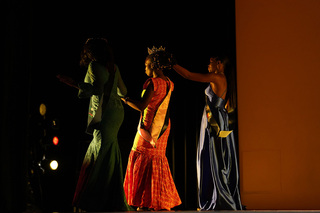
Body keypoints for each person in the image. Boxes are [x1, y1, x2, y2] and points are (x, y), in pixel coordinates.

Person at [173, 56, 242, 210]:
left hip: (214, 122)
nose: (208, 65)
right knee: (216, 157)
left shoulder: (217, 77)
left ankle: (216, 198)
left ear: (219, 64)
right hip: (218, 118)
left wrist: (172, 64)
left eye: (210, 63)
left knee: (212, 157)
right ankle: (215, 196)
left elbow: (189, 75)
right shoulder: (224, 79)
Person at [72, 38, 132, 212]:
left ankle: (94, 197)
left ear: (91, 52)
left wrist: (76, 84)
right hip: (117, 111)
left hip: (103, 111)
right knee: (109, 148)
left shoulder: (93, 66)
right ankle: (112, 196)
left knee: (100, 149)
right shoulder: (113, 67)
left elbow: (92, 91)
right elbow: (124, 92)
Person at [122, 47, 181, 211]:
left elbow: (142, 106)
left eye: (147, 65)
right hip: (163, 128)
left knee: (141, 158)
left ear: (155, 66)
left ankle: (144, 201)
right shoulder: (170, 83)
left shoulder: (152, 83)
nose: (145, 68)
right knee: (157, 161)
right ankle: (157, 200)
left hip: (148, 128)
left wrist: (125, 100)